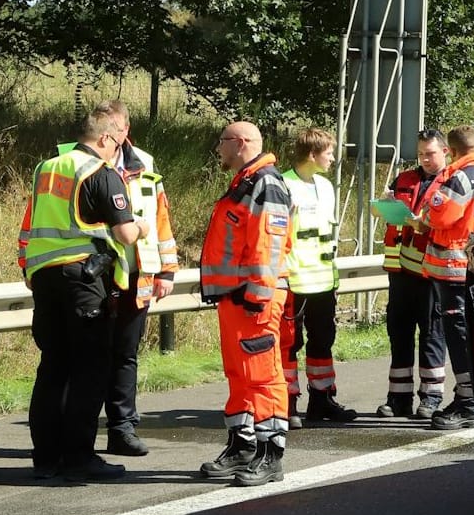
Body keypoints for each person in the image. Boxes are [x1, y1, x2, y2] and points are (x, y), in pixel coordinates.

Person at [18, 105, 144, 481]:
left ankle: (46, 459)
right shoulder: (100, 172)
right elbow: (124, 233)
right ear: (105, 137)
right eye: (118, 138)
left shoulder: (47, 168)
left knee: (53, 368)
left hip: (44, 277)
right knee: (90, 369)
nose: (119, 145)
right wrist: (141, 227)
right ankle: (78, 457)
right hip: (83, 282)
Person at [198, 121, 296, 486]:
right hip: (236, 297)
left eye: (222, 142)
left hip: (255, 298)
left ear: (240, 143)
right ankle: (242, 446)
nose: (218, 149)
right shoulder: (247, 182)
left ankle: (271, 455)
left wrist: (257, 293)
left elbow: (267, 245)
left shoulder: (265, 184)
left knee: (264, 376)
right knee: (240, 375)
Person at [97, 101, 179, 457]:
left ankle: (122, 428)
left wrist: (166, 270)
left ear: (126, 130)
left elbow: (160, 218)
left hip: (136, 273)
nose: (111, 136)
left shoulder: (143, 163)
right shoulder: (76, 160)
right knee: (86, 356)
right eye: (106, 129)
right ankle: (75, 433)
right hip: (91, 277)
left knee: (125, 354)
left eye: (117, 129)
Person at [421, 124, 474, 430]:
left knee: (458, 335)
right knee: (473, 334)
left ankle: (467, 401)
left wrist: (425, 215)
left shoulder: (460, 177)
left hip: (453, 268)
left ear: (451, 150)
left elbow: (440, 215)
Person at [281, 126, 356, 426]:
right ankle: (286, 402)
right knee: (289, 344)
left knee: (323, 341)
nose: (333, 158)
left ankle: (322, 399)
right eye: (329, 153)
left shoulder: (325, 187)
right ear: (312, 154)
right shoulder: (283, 184)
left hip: (324, 281)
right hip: (294, 280)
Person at [378, 130, 448, 419]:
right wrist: (385, 205)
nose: (425, 159)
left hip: (432, 272)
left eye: (430, 153)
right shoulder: (405, 178)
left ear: (445, 151)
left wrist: (424, 225)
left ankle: (431, 397)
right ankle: (398, 397)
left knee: (432, 332)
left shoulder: (453, 181)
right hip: (402, 270)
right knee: (399, 331)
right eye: (421, 154)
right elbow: (392, 209)